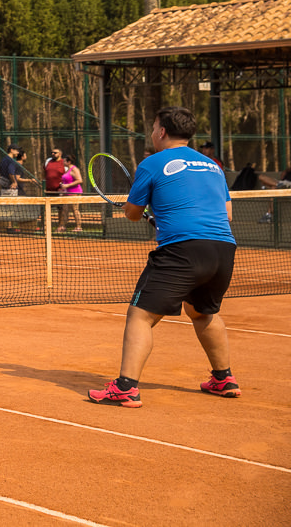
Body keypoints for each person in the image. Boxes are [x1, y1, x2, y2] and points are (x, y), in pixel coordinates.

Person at [88, 106, 239, 408]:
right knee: (201, 312)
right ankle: (224, 379)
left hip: (182, 251)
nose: (152, 132)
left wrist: (135, 210)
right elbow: (227, 214)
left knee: (140, 316)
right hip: (223, 249)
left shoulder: (152, 163)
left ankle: (125, 388)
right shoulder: (213, 166)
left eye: (153, 127)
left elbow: (133, 213)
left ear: (162, 131)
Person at [57, 154, 84, 233]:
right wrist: (63, 188)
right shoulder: (67, 170)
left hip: (75, 192)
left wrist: (67, 185)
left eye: (64, 161)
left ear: (69, 162)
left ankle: (78, 227)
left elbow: (79, 180)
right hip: (67, 193)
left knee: (75, 210)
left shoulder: (74, 169)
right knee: (65, 210)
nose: (63, 162)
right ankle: (63, 226)